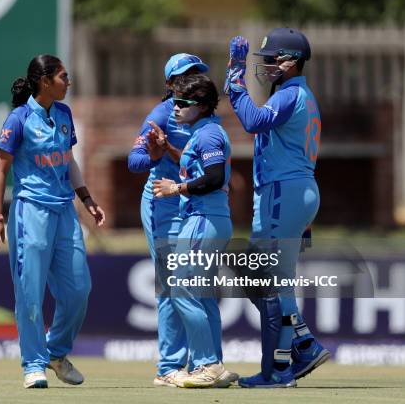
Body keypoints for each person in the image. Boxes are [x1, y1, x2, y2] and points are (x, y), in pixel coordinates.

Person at [0, 54, 105, 389]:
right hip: (30, 212)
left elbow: (68, 162)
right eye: (64, 77)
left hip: (65, 210)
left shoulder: (65, 114)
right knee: (30, 293)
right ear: (44, 80)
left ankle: (56, 352)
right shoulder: (19, 118)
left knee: (79, 288)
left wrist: (87, 199)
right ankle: (33, 364)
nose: (69, 83)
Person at [224, 28, 329, 388]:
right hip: (292, 191)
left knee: (268, 277)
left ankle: (283, 367)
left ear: (293, 61)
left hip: (284, 191)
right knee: (268, 276)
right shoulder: (296, 93)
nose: (267, 65)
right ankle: (302, 343)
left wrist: (235, 82)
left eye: (273, 59)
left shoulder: (291, 93)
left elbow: (253, 121)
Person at [127, 53, 214, 388]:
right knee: (170, 285)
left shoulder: (205, 117)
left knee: (191, 285)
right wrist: (153, 154)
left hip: (190, 203)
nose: (191, 80)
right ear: (169, 84)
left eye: (196, 74)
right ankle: (168, 367)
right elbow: (133, 162)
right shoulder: (162, 113)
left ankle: (200, 363)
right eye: (184, 76)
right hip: (162, 204)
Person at [152, 73, 237, 388]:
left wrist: (177, 188)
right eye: (173, 102)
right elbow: (205, 168)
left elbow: (214, 178)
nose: (174, 108)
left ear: (201, 106)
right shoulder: (203, 132)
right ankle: (214, 365)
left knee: (181, 290)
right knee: (200, 295)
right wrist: (169, 148)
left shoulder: (209, 135)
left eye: (182, 103)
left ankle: (206, 364)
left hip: (203, 220)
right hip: (206, 219)